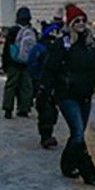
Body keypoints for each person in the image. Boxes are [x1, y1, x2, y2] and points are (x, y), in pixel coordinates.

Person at [43, 4, 95, 185]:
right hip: (67, 95)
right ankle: (89, 171)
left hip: (85, 95)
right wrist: (46, 91)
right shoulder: (63, 44)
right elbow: (50, 67)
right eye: (76, 21)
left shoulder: (90, 44)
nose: (80, 24)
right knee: (79, 132)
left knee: (76, 133)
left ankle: (67, 164)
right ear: (69, 23)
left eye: (82, 20)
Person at [26, 18, 63, 149]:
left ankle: (47, 134)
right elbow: (32, 65)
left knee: (49, 110)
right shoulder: (42, 48)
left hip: (50, 83)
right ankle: (45, 136)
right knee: (46, 109)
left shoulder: (45, 47)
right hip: (43, 83)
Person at [2, 6, 37, 118]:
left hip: (14, 62)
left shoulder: (13, 31)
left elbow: (7, 49)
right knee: (26, 86)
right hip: (27, 64)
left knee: (11, 86)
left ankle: (8, 108)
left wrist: (5, 64)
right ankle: (24, 109)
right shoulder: (32, 31)